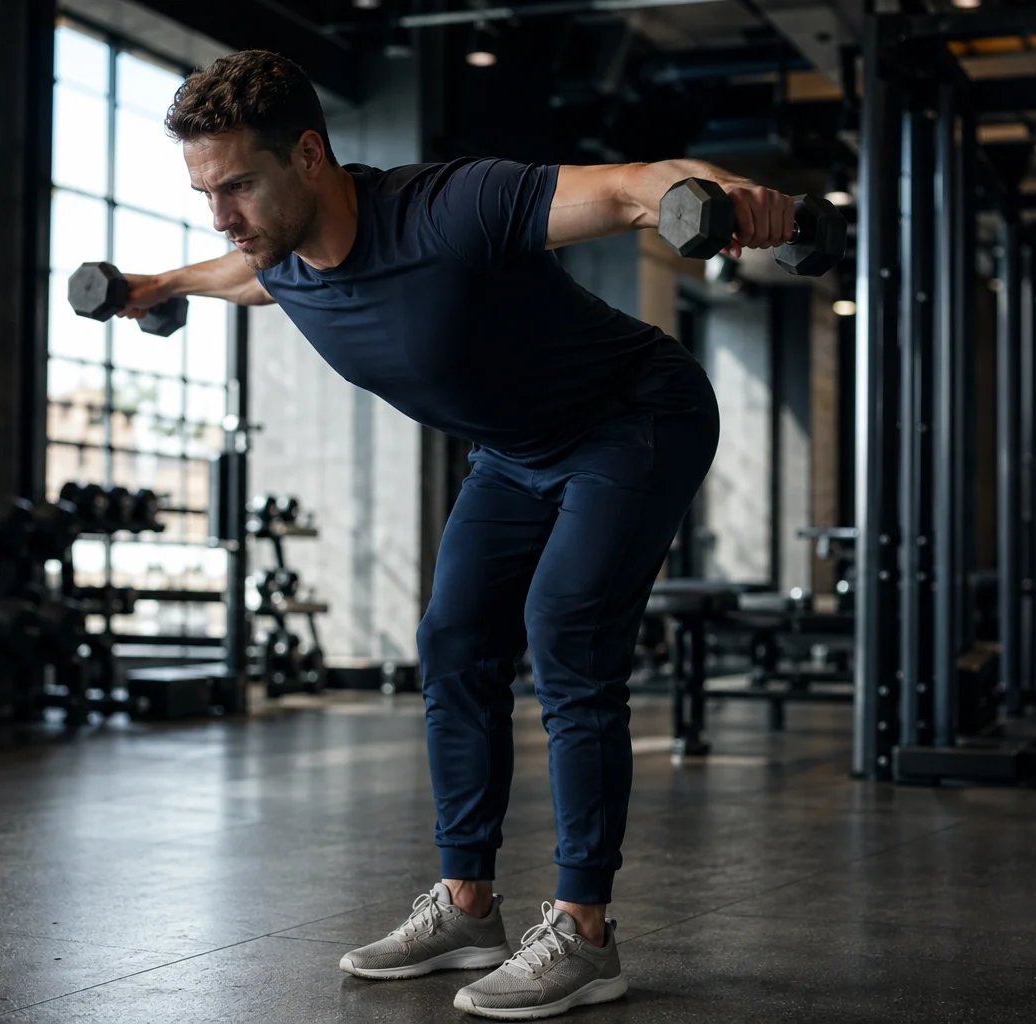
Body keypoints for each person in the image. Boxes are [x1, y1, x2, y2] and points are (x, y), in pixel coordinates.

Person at [119, 50, 793, 1021]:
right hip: (514, 451)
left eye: (237, 186)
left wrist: (716, 192)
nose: (221, 213)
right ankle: (469, 905)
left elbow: (623, 189)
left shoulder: (449, 208)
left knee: (565, 627)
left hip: (633, 413)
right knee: (454, 640)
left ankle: (587, 934)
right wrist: (163, 282)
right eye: (204, 191)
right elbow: (241, 273)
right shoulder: (283, 255)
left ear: (310, 155)